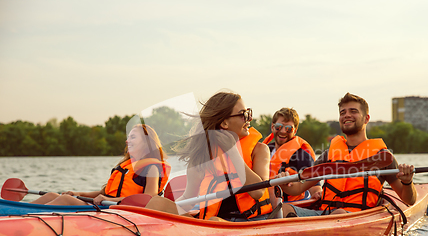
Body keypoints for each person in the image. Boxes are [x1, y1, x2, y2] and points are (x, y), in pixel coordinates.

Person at [279, 92, 416, 217]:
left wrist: (407, 182)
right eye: (342, 112)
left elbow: (409, 200)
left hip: (358, 217)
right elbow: (298, 189)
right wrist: (285, 184)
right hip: (324, 214)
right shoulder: (329, 155)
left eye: (353, 111)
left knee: (338, 213)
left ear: (366, 118)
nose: (346, 115)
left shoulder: (383, 157)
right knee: (284, 209)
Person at [146, 91, 273, 221]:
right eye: (244, 114)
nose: (249, 118)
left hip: (248, 223)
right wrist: (168, 210)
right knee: (157, 203)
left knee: (215, 221)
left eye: (249, 113)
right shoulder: (202, 155)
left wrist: (232, 151)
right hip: (210, 225)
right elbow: (188, 198)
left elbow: (258, 192)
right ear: (224, 123)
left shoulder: (260, 150)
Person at [30, 124, 171, 206]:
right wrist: (79, 193)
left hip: (121, 212)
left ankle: (24, 220)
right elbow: (105, 193)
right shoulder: (126, 166)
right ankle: (13, 213)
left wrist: (109, 200)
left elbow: (149, 198)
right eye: (128, 137)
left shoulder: (152, 168)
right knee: (51, 195)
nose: (127, 141)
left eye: (132, 137)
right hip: (107, 206)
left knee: (65, 200)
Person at [262, 107, 321, 202]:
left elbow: (315, 189)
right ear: (272, 127)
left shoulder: (303, 156)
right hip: (263, 206)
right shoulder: (262, 151)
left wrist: (317, 194)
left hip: (290, 205)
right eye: (278, 127)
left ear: (295, 131)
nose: (283, 131)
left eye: (289, 128)